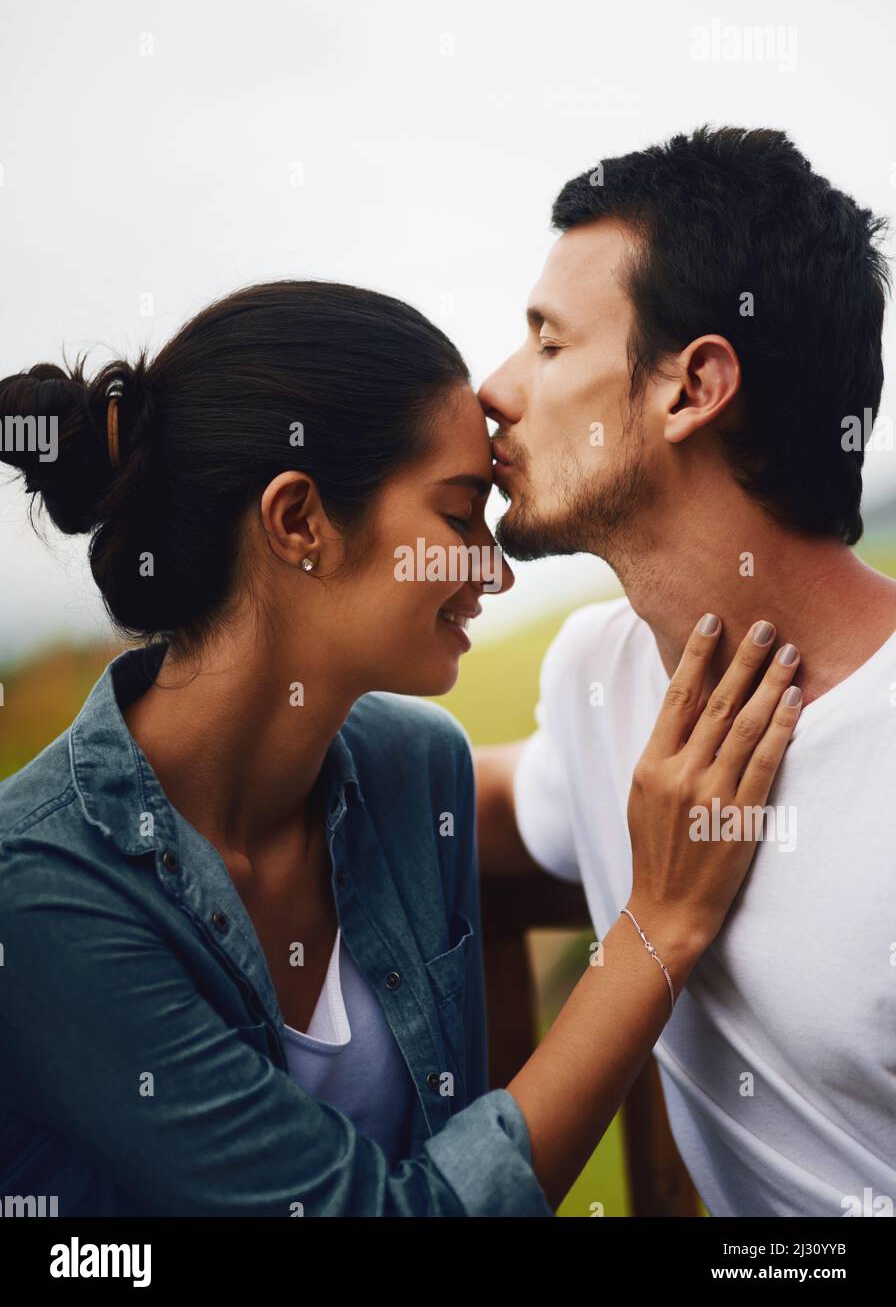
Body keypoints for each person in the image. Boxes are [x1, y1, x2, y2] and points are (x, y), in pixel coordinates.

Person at [0, 281, 800, 1216]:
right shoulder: (44, 888)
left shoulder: (419, 769)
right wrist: (656, 928)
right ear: (298, 521)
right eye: (459, 514)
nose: (493, 572)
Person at [476, 126, 896, 1217]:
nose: (494, 389)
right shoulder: (596, 677)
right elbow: (460, 798)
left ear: (691, 385)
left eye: (548, 345)